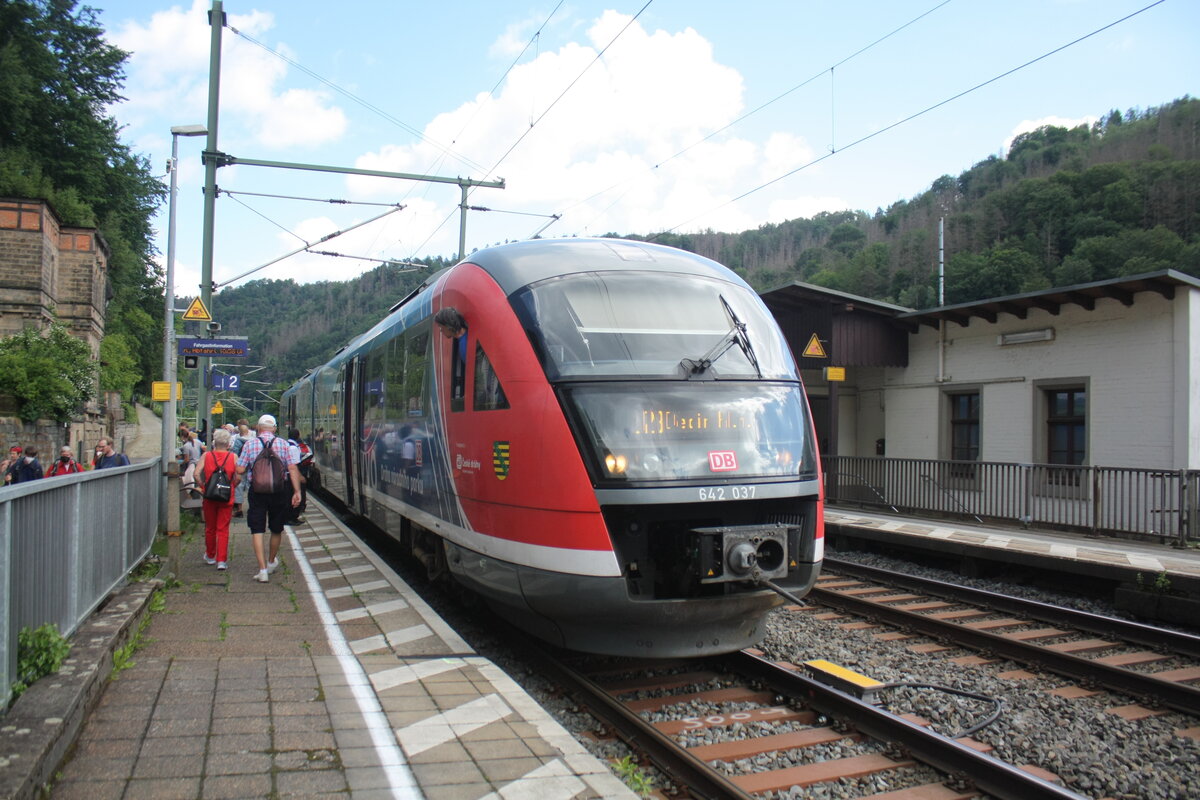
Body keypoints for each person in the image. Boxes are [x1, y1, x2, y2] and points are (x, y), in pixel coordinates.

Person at [235, 414, 301, 583]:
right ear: (274, 429)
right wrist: (296, 492)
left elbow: (241, 470)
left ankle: (262, 569)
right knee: (276, 529)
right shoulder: (283, 444)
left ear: (258, 428)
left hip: (257, 492)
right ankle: (271, 562)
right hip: (279, 491)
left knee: (257, 529)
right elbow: (292, 469)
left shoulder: (250, 444)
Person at [195, 428, 238, 571]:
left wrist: (203, 486)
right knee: (223, 529)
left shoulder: (207, 456)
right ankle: (222, 561)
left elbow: (196, 474)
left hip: (209, 496)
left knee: (210, 527)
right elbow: (238, 477)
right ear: (228, 443)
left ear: (214, 442)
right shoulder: (233, 457)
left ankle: (210, 555)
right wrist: (231, 486)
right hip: (227, 497)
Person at [286, 427, 312, 525]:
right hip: (292, 475)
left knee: (290, 496)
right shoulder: (293, 447)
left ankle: (291, 517)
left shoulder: (288, 444)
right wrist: (300, 476)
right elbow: (294, 465)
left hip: (289, 475)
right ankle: (292, 517)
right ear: (297, 436)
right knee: (294, 495)